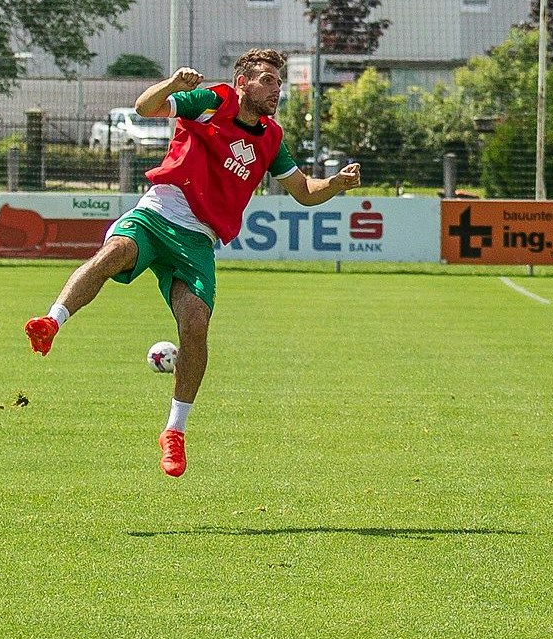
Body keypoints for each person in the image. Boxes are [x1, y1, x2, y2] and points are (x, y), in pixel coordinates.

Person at [26, 51, 363, 476]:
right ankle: (52, 322)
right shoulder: (212, 101)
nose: (276, 88)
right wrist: (172, 84)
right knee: (114, 253)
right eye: (267, 80)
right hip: (159, 211)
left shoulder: (272, 138)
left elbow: (304, 191)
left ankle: (174, 431)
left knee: (196, 323)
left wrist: (336, 183)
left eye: (278, 82)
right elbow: (145, 107)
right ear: (242, 83)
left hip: (199, 238)